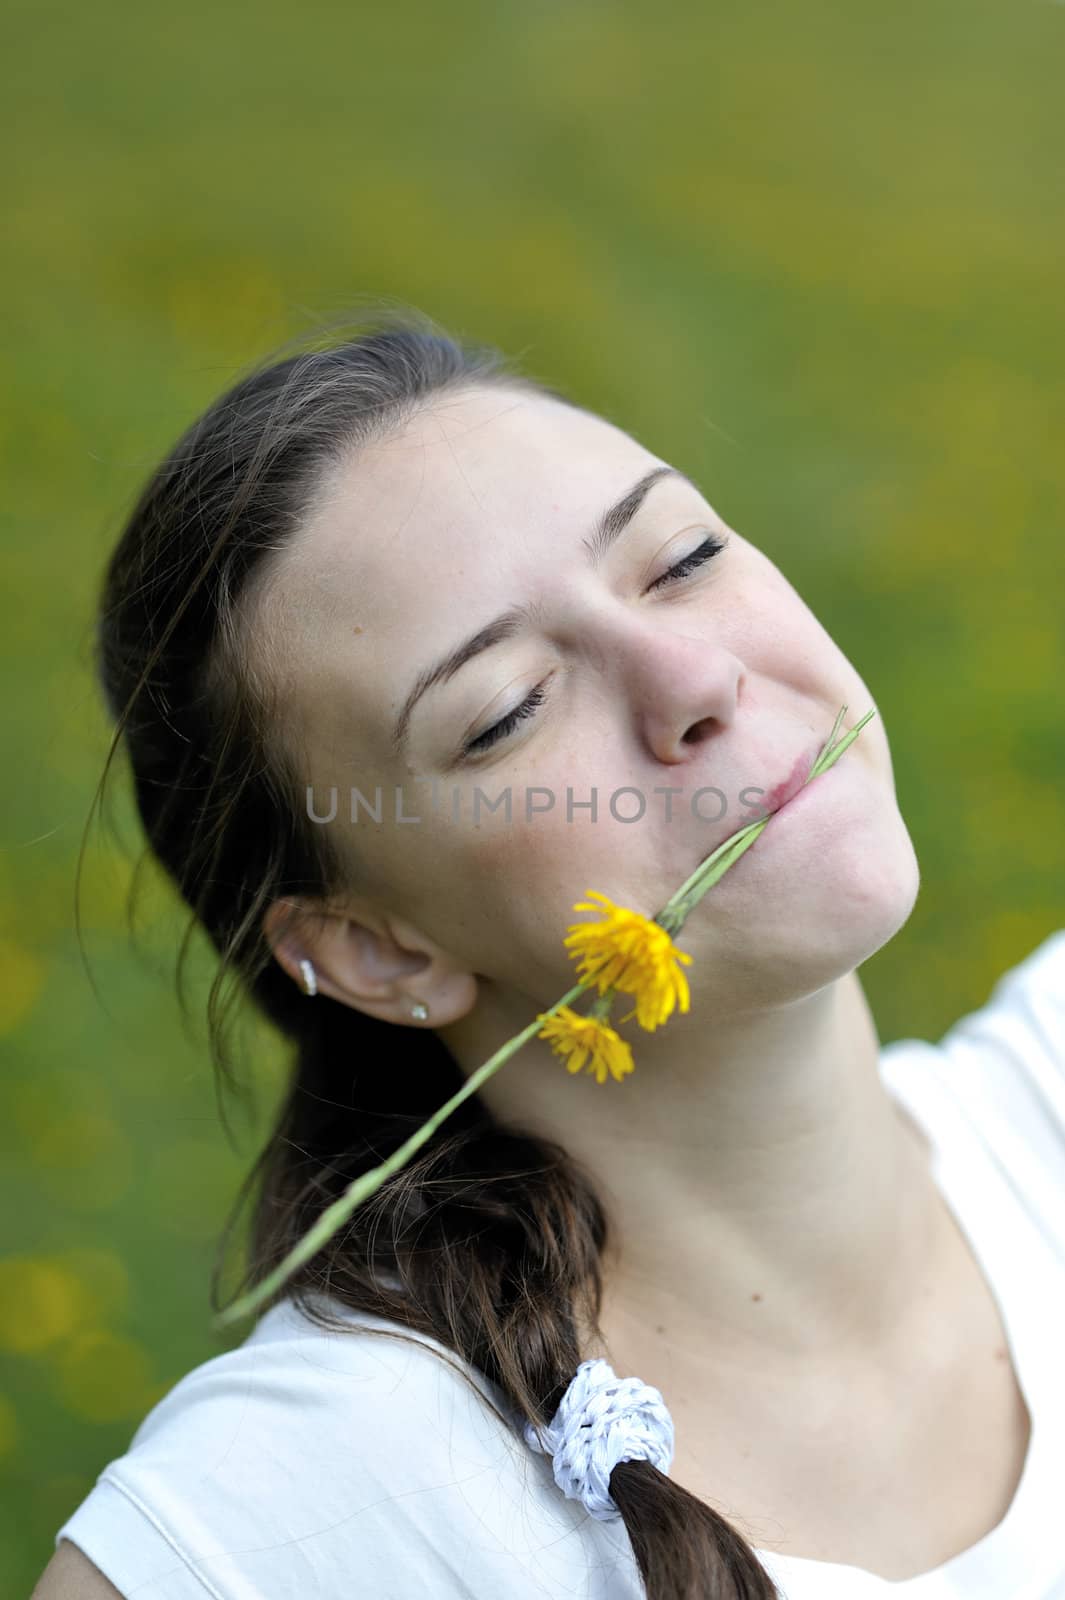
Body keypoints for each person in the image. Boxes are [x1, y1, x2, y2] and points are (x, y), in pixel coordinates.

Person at [33, 308, 1065, 1600]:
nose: (693, 675)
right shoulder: (288, 1525)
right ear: (374, 950)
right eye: (510, 708)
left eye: (681, 556)